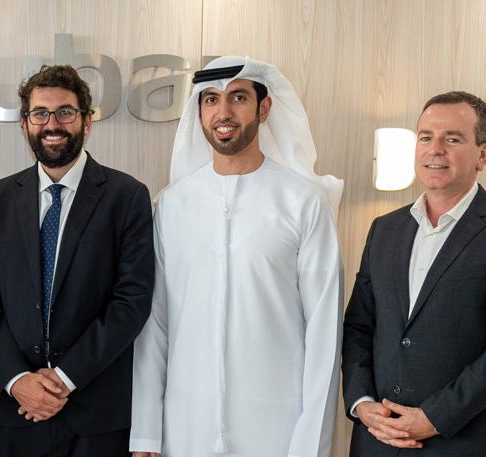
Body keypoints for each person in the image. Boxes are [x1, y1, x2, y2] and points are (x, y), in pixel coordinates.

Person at [130, 56, 344, 457]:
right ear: (199, 112)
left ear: (264, 109)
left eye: (239, 97)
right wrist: (146, 434)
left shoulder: (304, 202)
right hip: (185, 427)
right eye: (211, 99)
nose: (223, 112)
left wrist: (310, 447)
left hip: (277, 429)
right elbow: (154, 324)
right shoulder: (172, 204)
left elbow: (324, 336)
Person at [0, 65, 154, 456]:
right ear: (24, 124)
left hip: (97, 417)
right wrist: (17, 379)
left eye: (65, 112)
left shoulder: (127, 196)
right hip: (15, 413)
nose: (52, 124)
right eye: (41, 113)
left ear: (87, 121)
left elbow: (131, 301)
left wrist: (64, 379)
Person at [342, 91, 486, 456]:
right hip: (376, 439)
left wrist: (436, 417)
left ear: (482, 156)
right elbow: (359, 326)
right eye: (425, 137)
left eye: (452, 139)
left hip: (460, 442)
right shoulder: (384, 229)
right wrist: (362, 403)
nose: (435, 150)